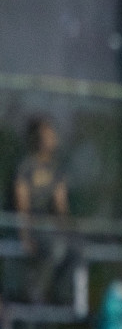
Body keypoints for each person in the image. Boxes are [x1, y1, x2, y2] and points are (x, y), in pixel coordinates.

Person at [14, 115, 70, 304]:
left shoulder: (56, 169)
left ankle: (64, 297)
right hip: (34, 228)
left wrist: (66, 230)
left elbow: (61, 205)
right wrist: (25, 234)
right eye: (47, 135)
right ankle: (36, 293)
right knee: (55, 248)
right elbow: (21, 205)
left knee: (76, 250)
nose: (51, 139)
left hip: (51, 228)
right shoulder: (26, 167)